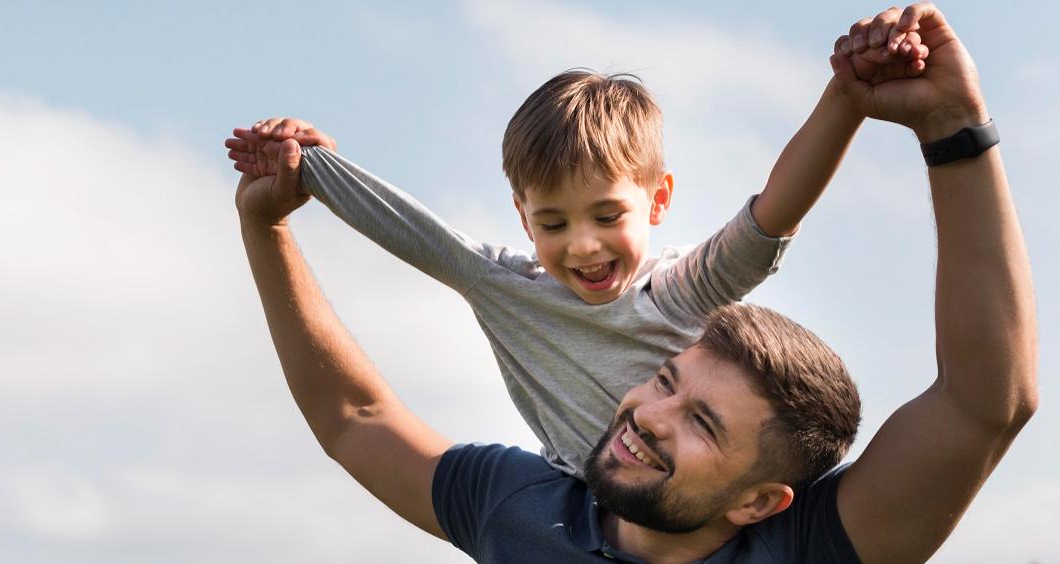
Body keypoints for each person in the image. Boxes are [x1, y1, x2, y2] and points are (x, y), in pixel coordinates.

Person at [235, 3, 1036, 564]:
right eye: (665, 381)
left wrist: (955, 129)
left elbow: (984, 402)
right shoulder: (519, 510)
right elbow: (356, 419)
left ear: (762, 500)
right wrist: (264, 227)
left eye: (704, 424)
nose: (654, 414)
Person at [225, 29, 928, 478]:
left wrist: (849, 93)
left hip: (712, 513)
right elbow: (410, 228)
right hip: (582, 512)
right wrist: (304, 163)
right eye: (553, 221)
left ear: (657, 202)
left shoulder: (680, 292)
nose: (582, 244)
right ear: (522, 218)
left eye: (607, 214)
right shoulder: (505, 286)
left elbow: (775, 211)